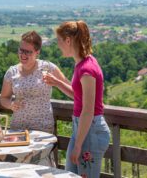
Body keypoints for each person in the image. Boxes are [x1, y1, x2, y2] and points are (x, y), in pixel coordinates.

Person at [43, 21, 110, 177]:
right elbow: (79, 96)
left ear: (68, 40)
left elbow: (88, 109)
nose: (58, 45)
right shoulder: (82, 64)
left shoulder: (87, 69)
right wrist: (57, 82)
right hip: (82, 129)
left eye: (59, 41)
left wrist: (78, 145)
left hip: (90, 130)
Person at [0, 31, 67, 133]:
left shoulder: (48, 68)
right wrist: (11, 104)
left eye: (28, 52)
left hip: (43, 128)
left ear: (37, 52)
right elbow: (4, 98)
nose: (23, 54)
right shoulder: (12, 72)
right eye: (21, 50)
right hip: (18, 128)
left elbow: (68, 86)